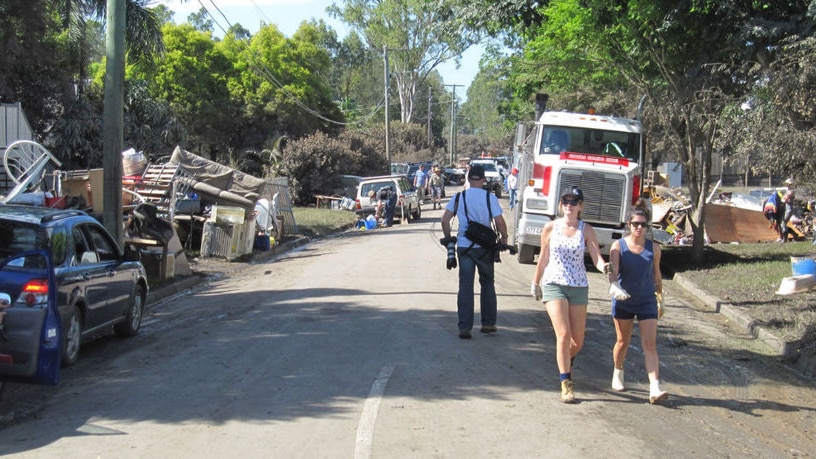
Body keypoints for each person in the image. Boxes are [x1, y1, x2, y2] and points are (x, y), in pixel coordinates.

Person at [530, 187, 609, 403]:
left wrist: (606, 268)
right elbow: (543, 257)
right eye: (566, 201)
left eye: (574, 202)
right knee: (563, 335)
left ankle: (564, 358)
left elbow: (597, 258)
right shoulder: (550, 228)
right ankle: (566, 383)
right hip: (554, 284)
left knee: (578, 341)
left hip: (578, 287)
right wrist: (536, 282)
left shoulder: (586, 230)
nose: (569, 206)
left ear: (580, 206)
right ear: (560, 205)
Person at [607, 199, 668, 404]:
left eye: (643, 224)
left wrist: (660, 298)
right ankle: (618, 371)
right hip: (624, 300)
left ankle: (654, 387)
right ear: (629, 225)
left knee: (649, 344)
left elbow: (656, 276)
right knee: (623, 341)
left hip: (646, 301)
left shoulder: (654, 249)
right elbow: (613, 273)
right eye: (635, 224)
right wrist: (614, 286)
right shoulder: (619, 246)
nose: (639, 228)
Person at [441, 165, 509, 339]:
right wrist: (504, 238)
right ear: (484, 179)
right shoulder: (490, 198)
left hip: (465, 246)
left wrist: (449, 239)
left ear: (468, 179)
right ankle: (488, 323)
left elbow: (445, 220)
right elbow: (499, 222)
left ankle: (465, 327)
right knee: (487, 284)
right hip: (485, 247)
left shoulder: (459, 197)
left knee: (465, 286)